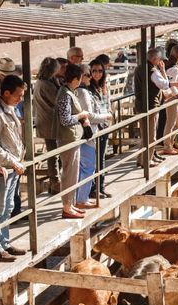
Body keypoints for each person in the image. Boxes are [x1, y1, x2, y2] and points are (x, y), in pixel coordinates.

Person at [134, 48, 178, 168]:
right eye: (160, 59)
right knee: (151, 136)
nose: (162, 61)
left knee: (145, 135)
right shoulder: (152, 71)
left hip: (140, 105)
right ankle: (147, 160)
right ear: (155, 59)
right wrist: (174, 83)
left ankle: (141, 159)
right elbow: (163, 84)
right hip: (151, 105)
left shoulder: (139, 68)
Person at [0, 75, 28, 261]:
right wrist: (12, 161)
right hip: (4, 168)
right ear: (6, 93)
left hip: (12, 167)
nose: (21, 99)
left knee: (7, 207)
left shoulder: (9, 109)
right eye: (18, 95)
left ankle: (4, 242)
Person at [54, 64, 91, 219]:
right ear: (76, 78)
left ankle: (70, 204)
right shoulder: (65, 94)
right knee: (69, 173)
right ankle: (67, 206)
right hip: (67, 139)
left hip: (71, 138)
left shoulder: (68, 92)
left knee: (72, 172)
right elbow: (65, 119)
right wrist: (81, 115)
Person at [74, 64, 112, 210]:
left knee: (83, 167)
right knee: (88, 167)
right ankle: (81, 199)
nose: (92, 76)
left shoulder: (78, 91)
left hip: (83, 134)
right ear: (81, 77)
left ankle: (80, 198)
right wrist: (106, 116)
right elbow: (90, 115)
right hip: (88, 134)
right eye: (89, 74)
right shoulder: (83, 92)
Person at [33, 57, 61, 195]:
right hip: (50, 123)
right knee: (54, 154)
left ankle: (54, 182)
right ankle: (55, 182)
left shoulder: (41, 82)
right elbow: (58, 100)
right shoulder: (47, 85)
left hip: (45, 122)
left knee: (53, 153)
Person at [87, 59, 112, 199]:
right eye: (94, 71)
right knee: (94, 159)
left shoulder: (103, 86)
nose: (97, 74)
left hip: (105, 125)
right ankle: (93, 188)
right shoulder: (88, 88)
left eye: (100, 71)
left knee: (101, 158)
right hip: (96, 126)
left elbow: (107, 103)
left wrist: (110, 113)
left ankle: (101, 187)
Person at [162, 45, 178, 155]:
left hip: (172, 97)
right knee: (172, 122)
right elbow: (171, 85)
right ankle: (167, 145)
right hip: (171, 98)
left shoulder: (172, 65)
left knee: (176, 122)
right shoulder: (174, 68)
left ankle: (170, 143)